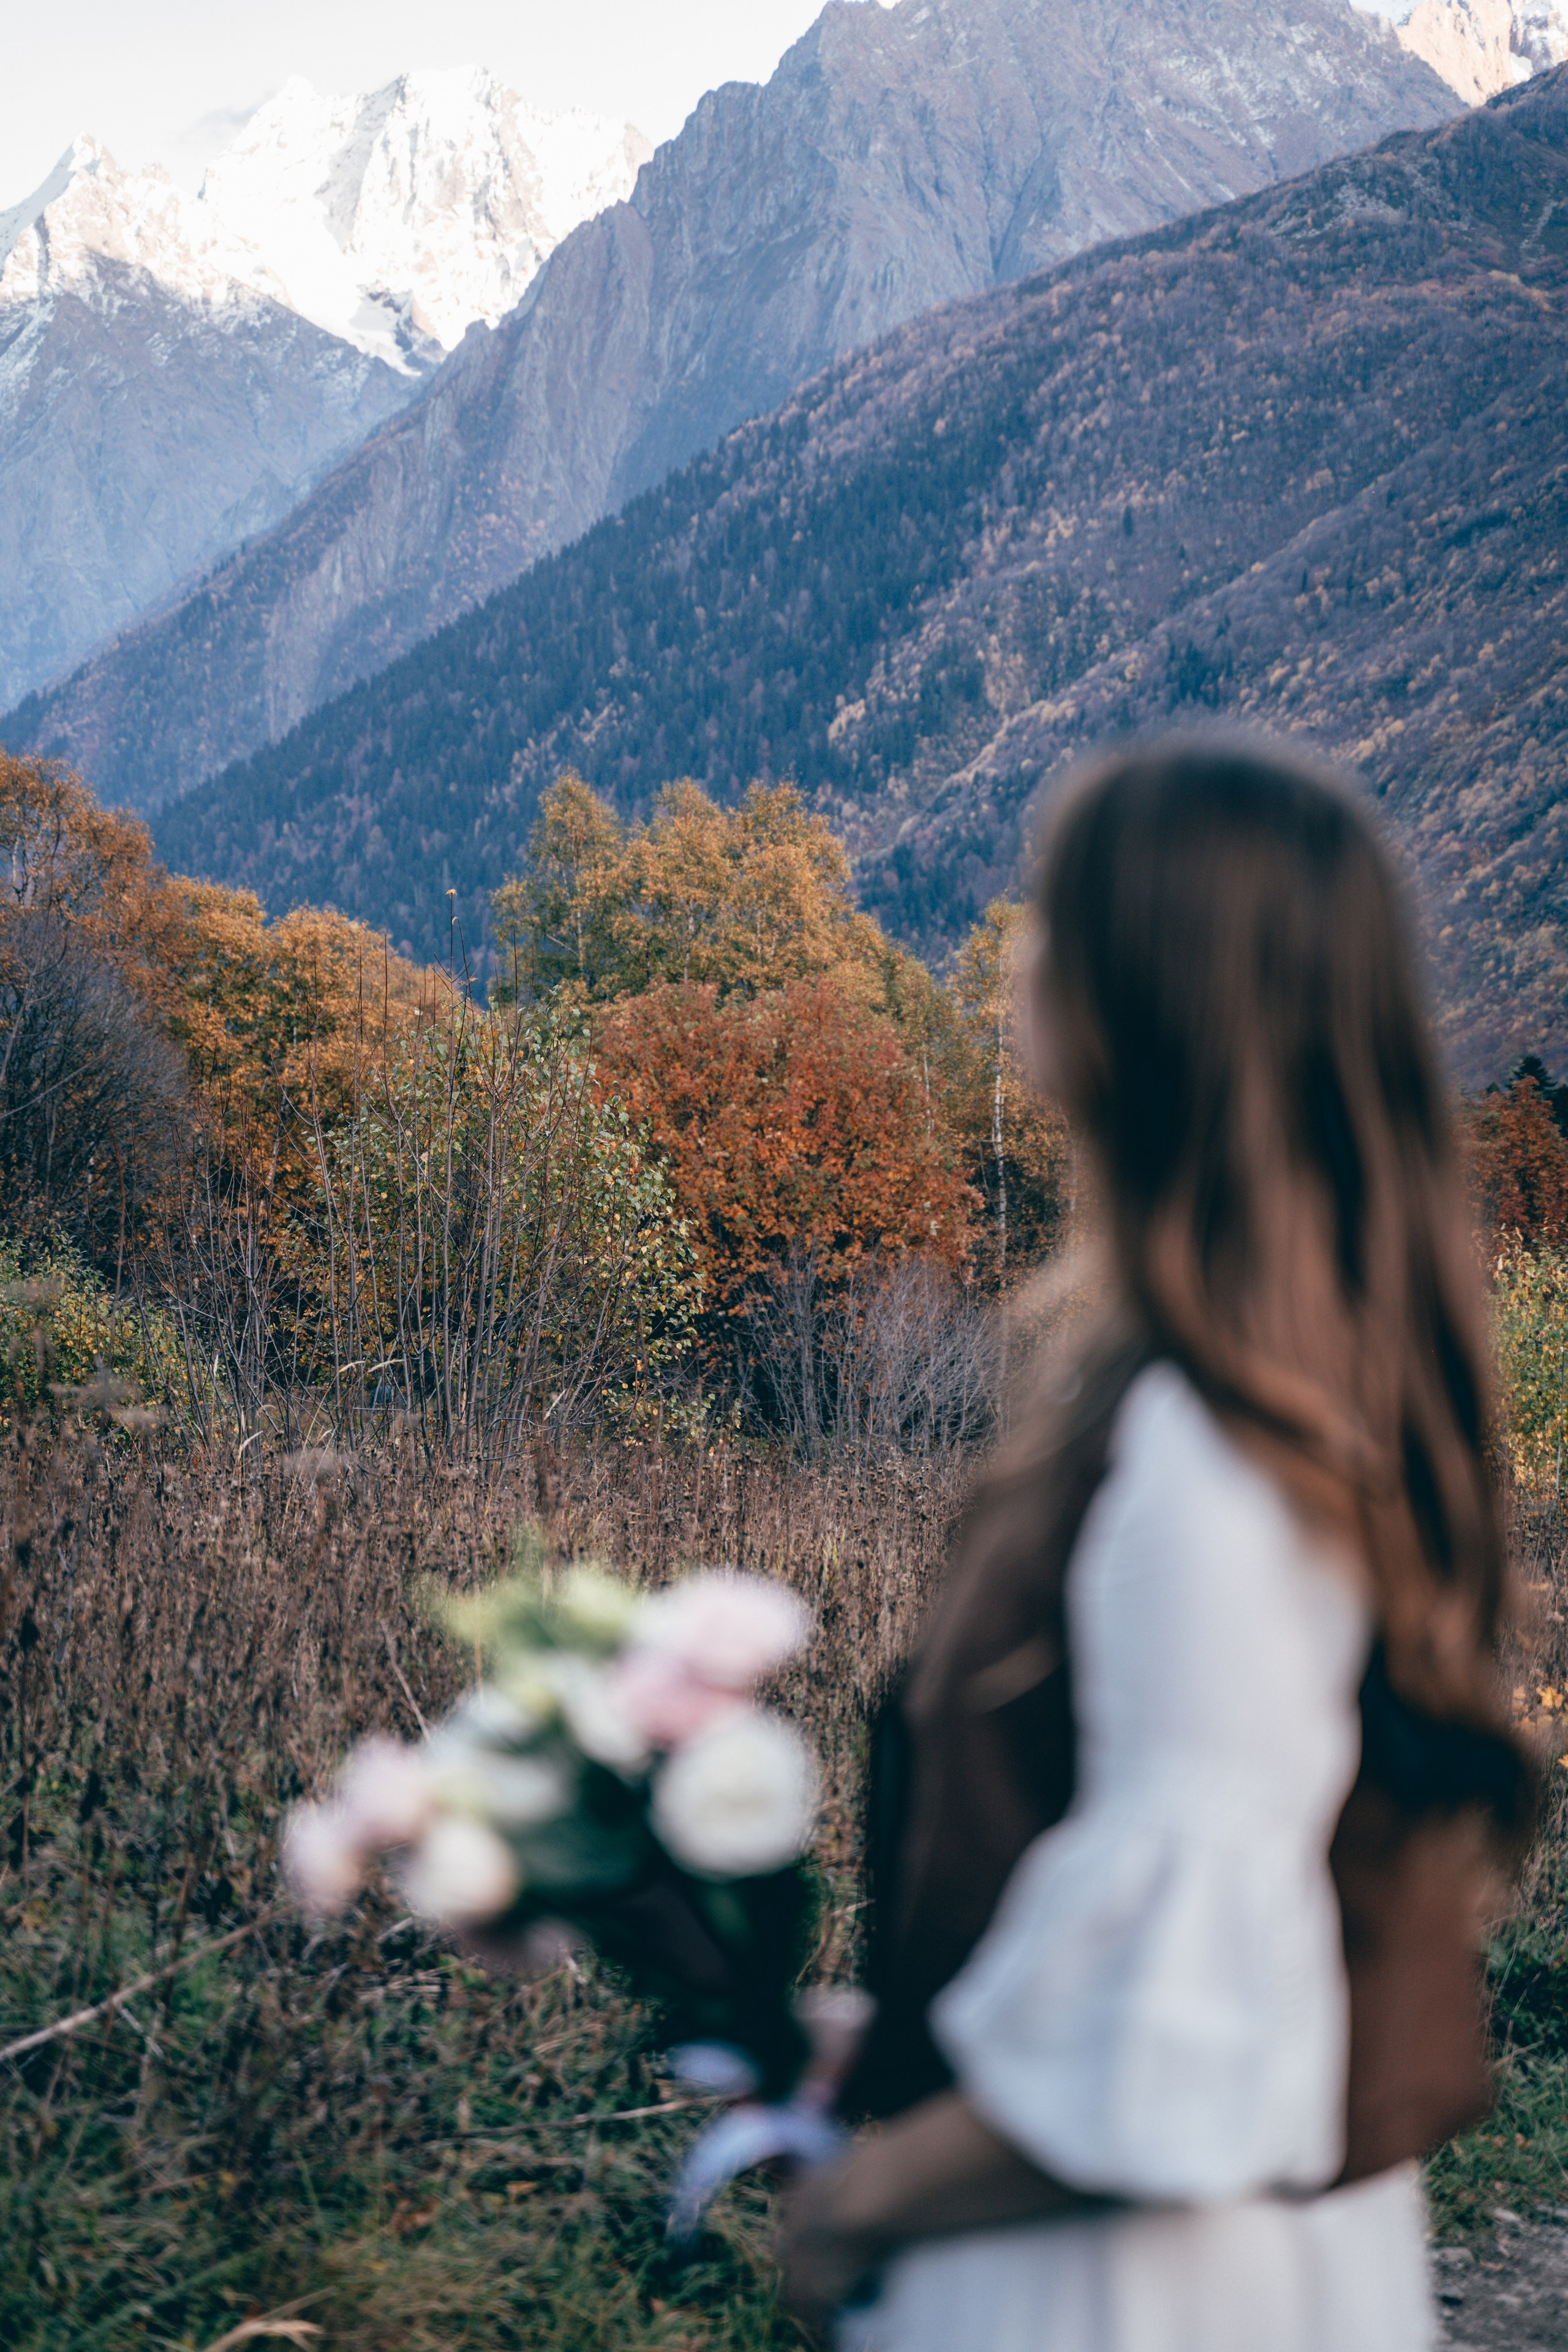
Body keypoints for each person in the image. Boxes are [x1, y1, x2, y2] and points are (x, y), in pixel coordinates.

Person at [780, 741, 1534, 2351]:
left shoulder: (1213, 1460)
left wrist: (865, 2200)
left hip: (1130, 2297)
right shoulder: (1268, 1406)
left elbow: (1177, 2052)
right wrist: (902, 2037)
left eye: (1056, 913)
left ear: (1149, 993)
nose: (1021, 952)